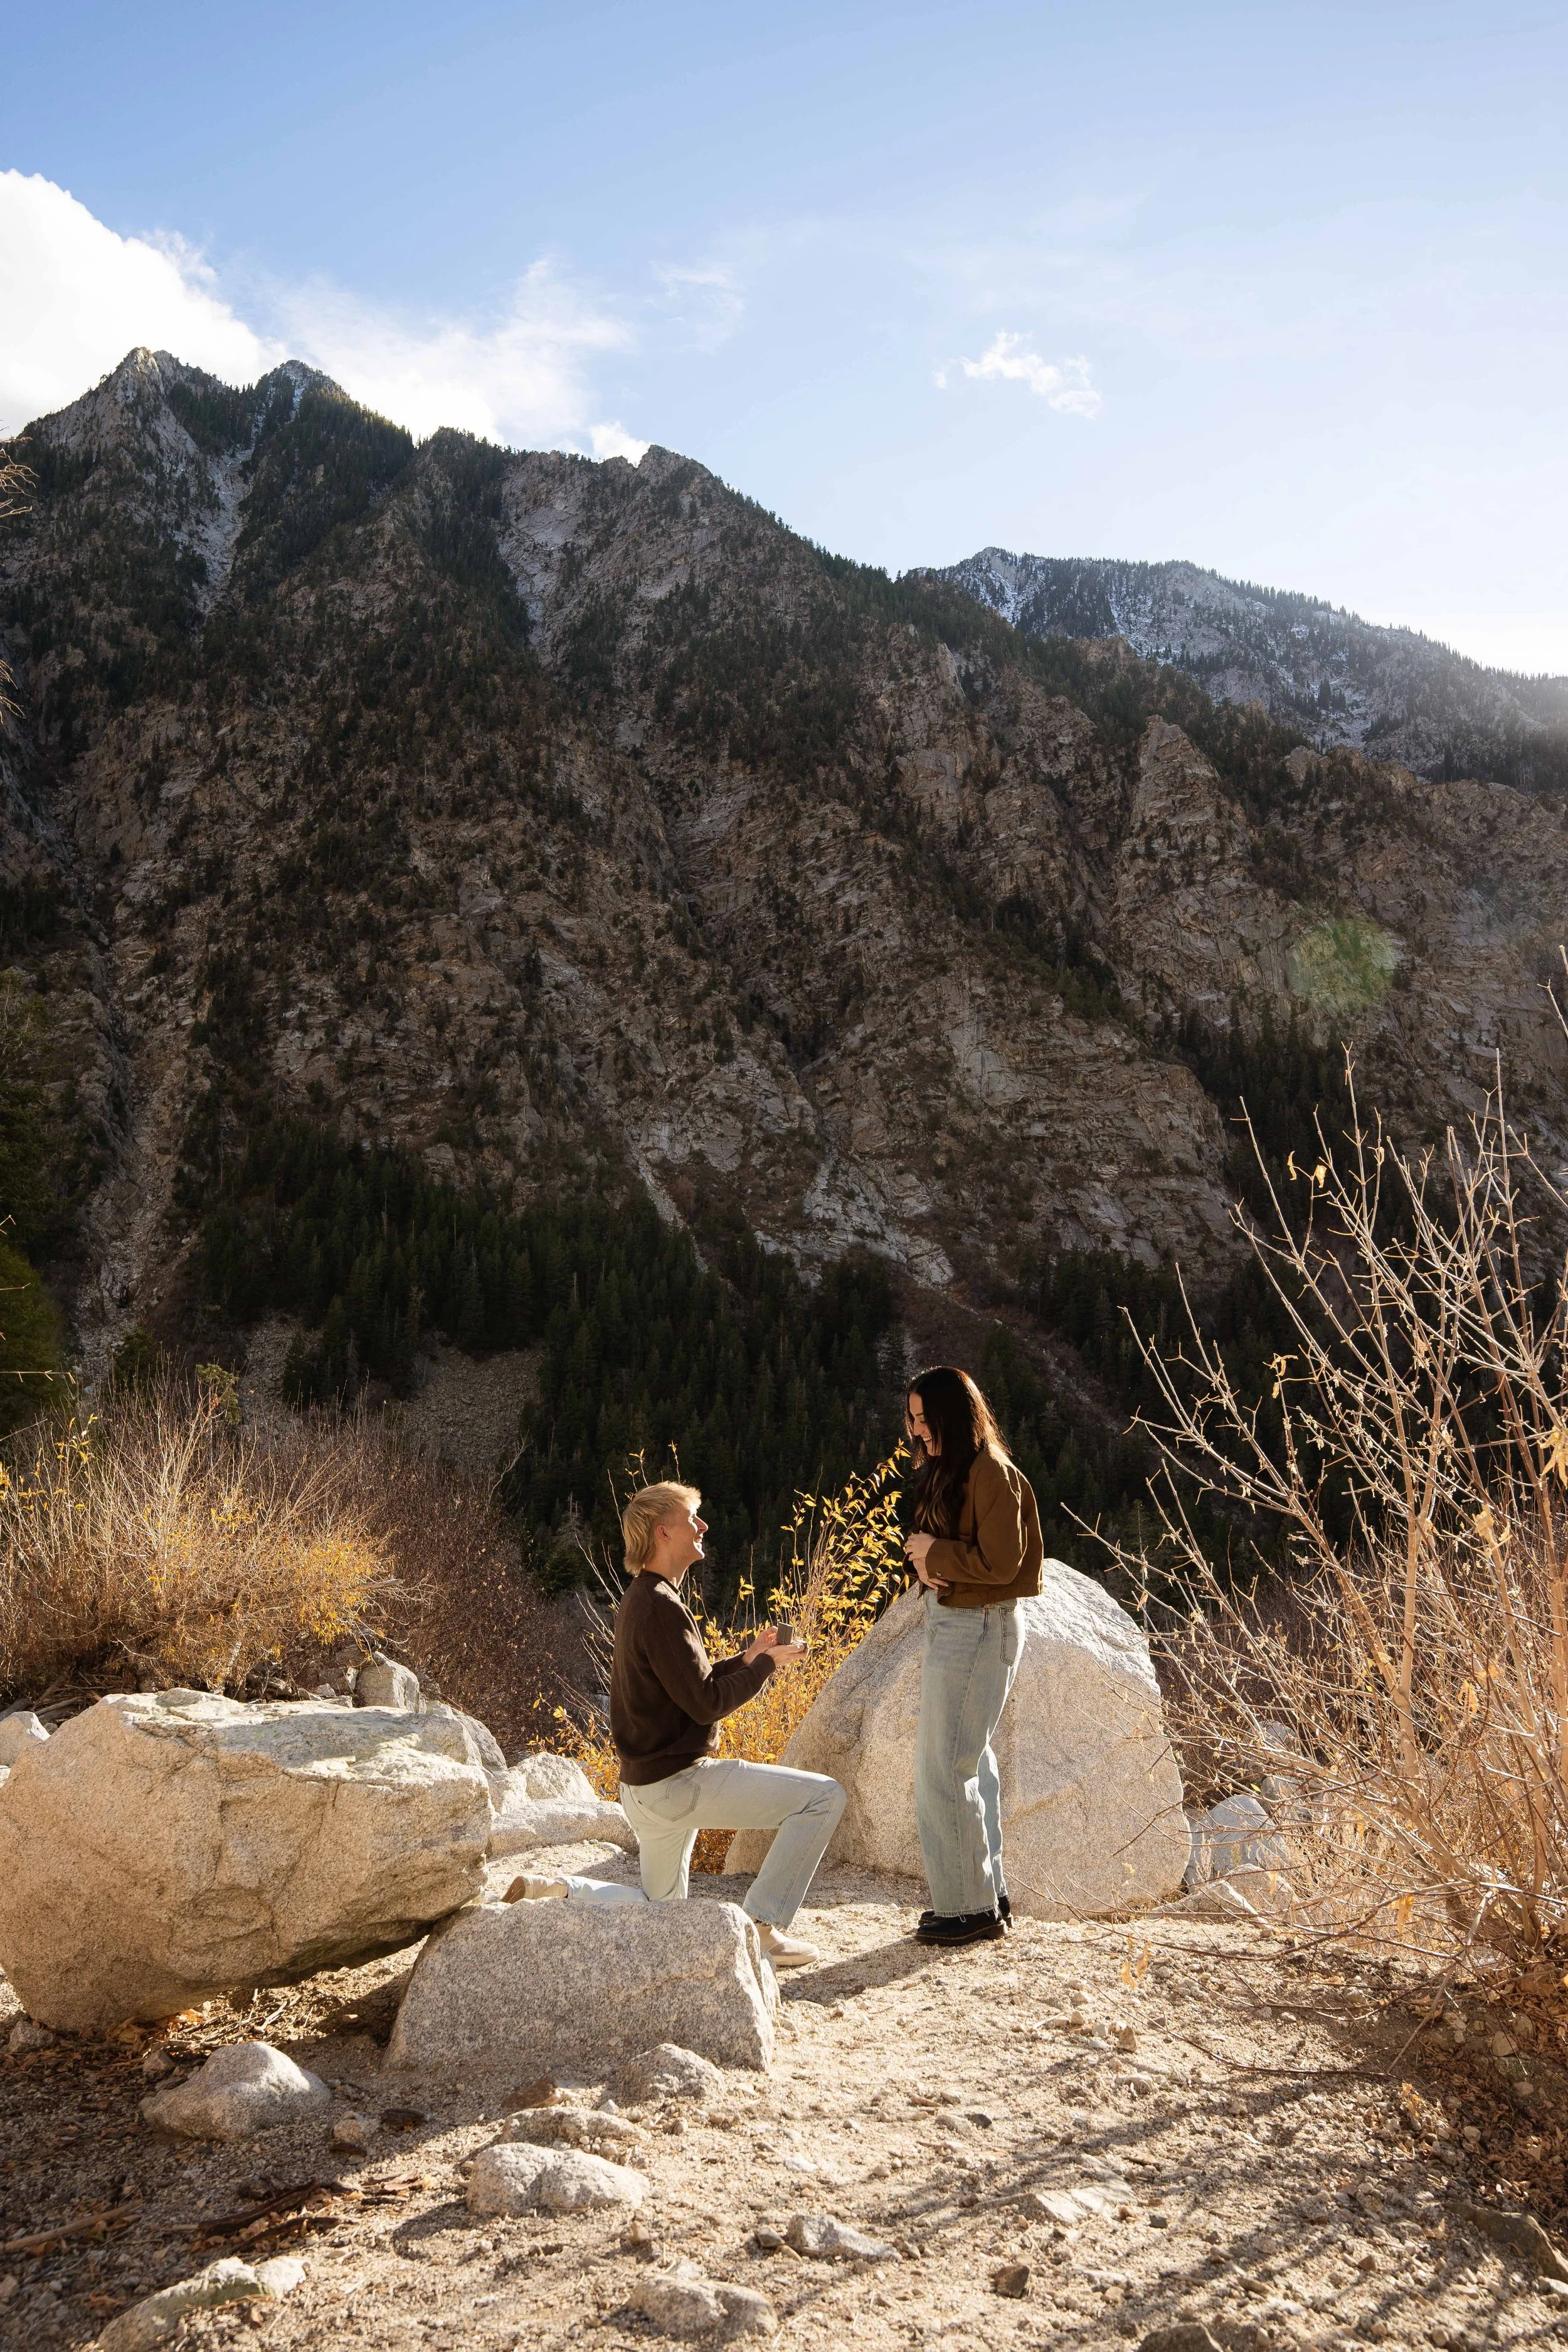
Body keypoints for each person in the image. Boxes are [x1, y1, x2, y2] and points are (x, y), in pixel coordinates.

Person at [508, 1480, 845, 1969]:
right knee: (823, 1798)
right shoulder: (661, 1607)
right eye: (693, 1518)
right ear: (663, 1532)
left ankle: (559, 1891)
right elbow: (707, 1704)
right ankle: (762, 1927)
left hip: (644, 1790)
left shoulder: (643, 1599)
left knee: (658, 1913)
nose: (703, 1525)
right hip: (679, 1783)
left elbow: (691, 1685)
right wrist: (767, 1666)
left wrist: (748, 1658)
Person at [903, 1365, 1042, 1947]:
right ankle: (987, 1896)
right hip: (961, 1622)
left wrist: (937, 1554)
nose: (915, 1431)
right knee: (971, 1764)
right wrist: (929, 1560)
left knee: (945, 1769)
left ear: (950, 1416)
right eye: (910, 1420)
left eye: (922, 1418)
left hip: (979, 1628)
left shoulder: (991, 1472)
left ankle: (969, 1908)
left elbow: (1004, 1565)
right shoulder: (958, 1469)